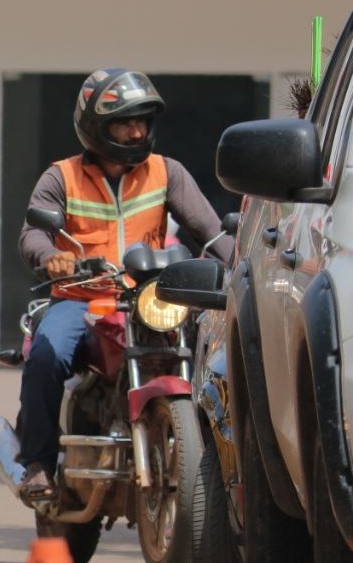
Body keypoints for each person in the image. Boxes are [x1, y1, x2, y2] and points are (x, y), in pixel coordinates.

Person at [15, 67, 234, 502]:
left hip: (148, 298)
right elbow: (32, 235)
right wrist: (50, 256)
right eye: (124, 123)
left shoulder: (167, 172)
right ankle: (38, 463)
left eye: (142, 122)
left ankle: (223, 463)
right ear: (95, 126)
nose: (136, 132)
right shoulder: (61, 177)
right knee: (46, 354)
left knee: (215, 354)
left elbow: (210, 234)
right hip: (82, 300)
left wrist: (241, 265)